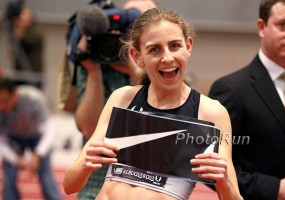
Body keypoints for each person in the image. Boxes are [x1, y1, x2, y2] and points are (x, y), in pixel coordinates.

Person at [63, 7, 243, 200]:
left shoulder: (211, 113)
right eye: (154, 49)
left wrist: (224, 182)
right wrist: (85, 164)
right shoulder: (122, 99)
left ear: (188, 46)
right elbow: (69, 185)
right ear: (137, 56)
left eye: (174, 46)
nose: (167, 58)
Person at [208, 0, 285, 199]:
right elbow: (211, 168)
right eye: (283, 25)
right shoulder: (231, 90)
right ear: (262, 27)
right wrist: (273, 188)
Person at [71, 1, 157, 199]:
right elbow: (89, 129)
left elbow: (164, 120)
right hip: (97, 190)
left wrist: (136, 72)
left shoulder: (169, 71)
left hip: (149, 192)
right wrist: (93, 70)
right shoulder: (99, 62)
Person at [0, 78, 61, 200]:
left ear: (15, 94)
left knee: (46, 175)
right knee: (9, 176)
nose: (2, 106)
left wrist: (38, 155)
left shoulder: (34, 99)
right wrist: (15, 159)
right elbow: (1, 140)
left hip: (37, 137)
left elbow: (49, 130)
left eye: (5, 101)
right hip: (14, 139)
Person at [4, 2, 44, 89]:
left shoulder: (36, 33)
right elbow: (11, 52)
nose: (23, 18)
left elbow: (25, 40)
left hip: (33, 76)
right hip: (19, 75)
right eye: (23, 15)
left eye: (26, 15)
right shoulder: (17, 32)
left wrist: (19, 28)